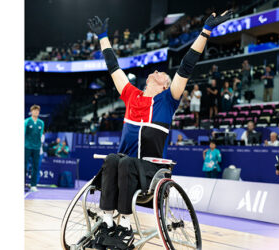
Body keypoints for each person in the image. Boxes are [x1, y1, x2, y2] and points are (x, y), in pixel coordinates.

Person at [87, 11, 232, 249]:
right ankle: (106, 219)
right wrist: (103, 36)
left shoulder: (168, 99)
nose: (154, 72)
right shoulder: (131, 95)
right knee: (113, 158)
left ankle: (124, 223)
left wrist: (205, 32)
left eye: (160, 74)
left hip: (150, 169)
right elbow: (113, 67)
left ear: (165, 84)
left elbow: (187, 65)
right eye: (153, 73)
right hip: (125, 163)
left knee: (124, 162)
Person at [25, 105, 44, 192]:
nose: (36, 112)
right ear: (31, 111)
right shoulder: (27, 121)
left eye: (37, 111)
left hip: (36, 148)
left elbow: (40, 135)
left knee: (35, 167)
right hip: (27, 147)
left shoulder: (41, 122)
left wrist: (40, 147)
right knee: (24, 166)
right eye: (34, 111)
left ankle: (33, 185)